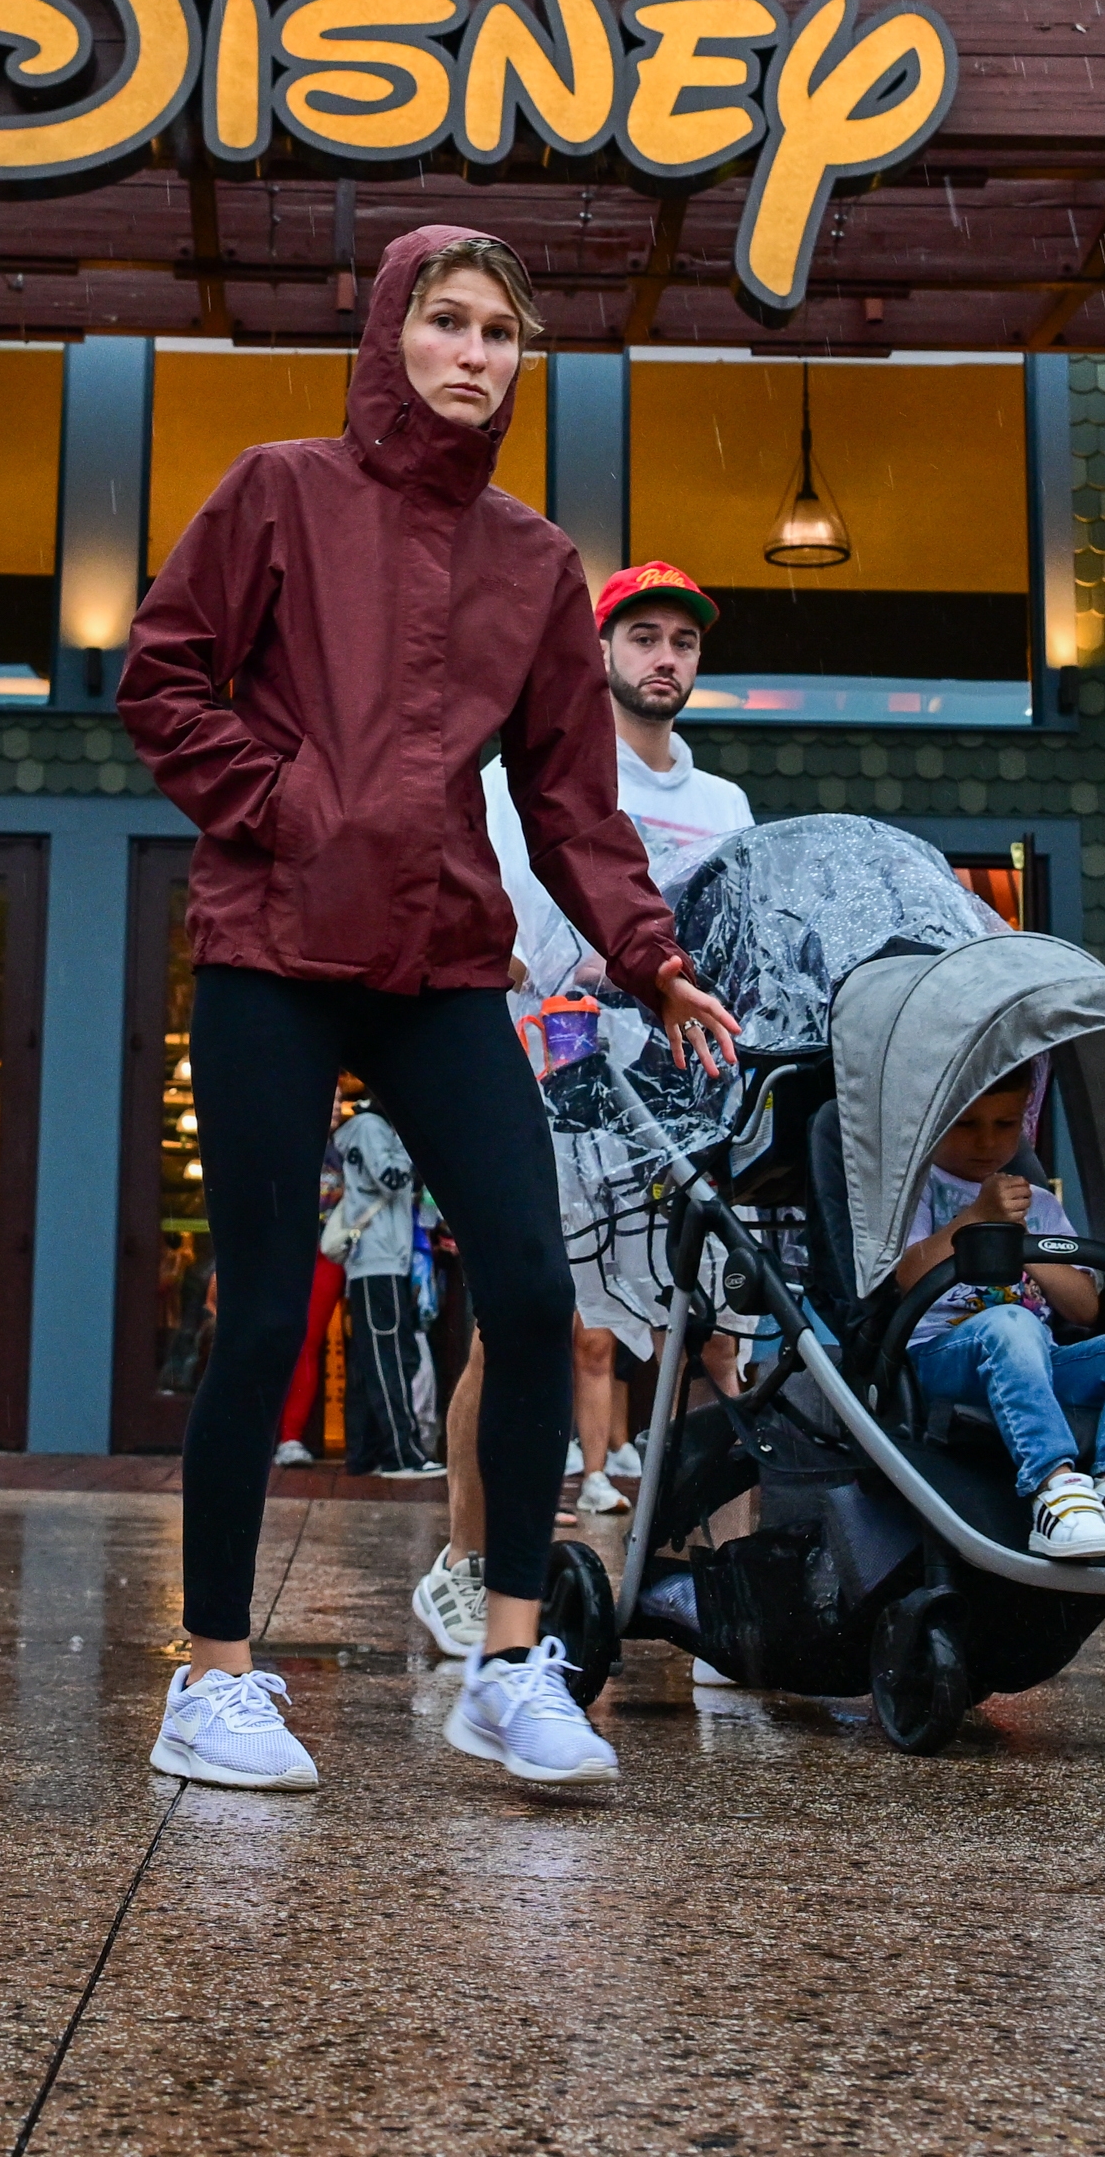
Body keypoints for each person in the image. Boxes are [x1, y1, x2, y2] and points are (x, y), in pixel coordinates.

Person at [121, 227, 740, 1793]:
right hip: (270, 944)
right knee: (266, 1309)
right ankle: (211, 1679)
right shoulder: (277, 490)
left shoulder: (536, 563)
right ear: (390, 334)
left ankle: (512, 1664)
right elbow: (161, 679)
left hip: (442, 960)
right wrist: (288, 806)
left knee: (533, 1292)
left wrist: (643, 951)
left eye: (499, 335)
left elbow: (568, 797)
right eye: (445, 323)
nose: (472, 353)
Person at [417, 563, 754, 1647]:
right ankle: (465, 1565)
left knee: (714, 1339)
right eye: (643, 637)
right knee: (517, 1330)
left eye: (683, 644)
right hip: (553, 1089)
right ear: (600, 653)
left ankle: (721, 1582)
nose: (665, 658)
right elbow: (493, 930)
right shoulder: (541, 785)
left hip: (683, 1103)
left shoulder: (724, 807)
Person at [893, 1070, 1105, 1563]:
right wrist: (977, 1221)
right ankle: (1055, 1489)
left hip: (1039, 1359)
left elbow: (1085, 1308)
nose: (987, 1141)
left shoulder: (1041, 1203)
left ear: (1026, 1119)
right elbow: (909, 1277)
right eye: (966, 1126)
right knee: (1014, 1322)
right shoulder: (918, 1190)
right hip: (943, 1354)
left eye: (1005, 1123)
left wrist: (1025, 1245)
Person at [330, 1109, 444, 1480]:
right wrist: (416, 1143)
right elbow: (392, 1179)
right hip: (378, 1260)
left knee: (371, 1360)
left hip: (380, 1259)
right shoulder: (371, 1128)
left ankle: (364, 1454)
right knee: (388, 1357)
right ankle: (402, 1454)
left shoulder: (370, 1130)